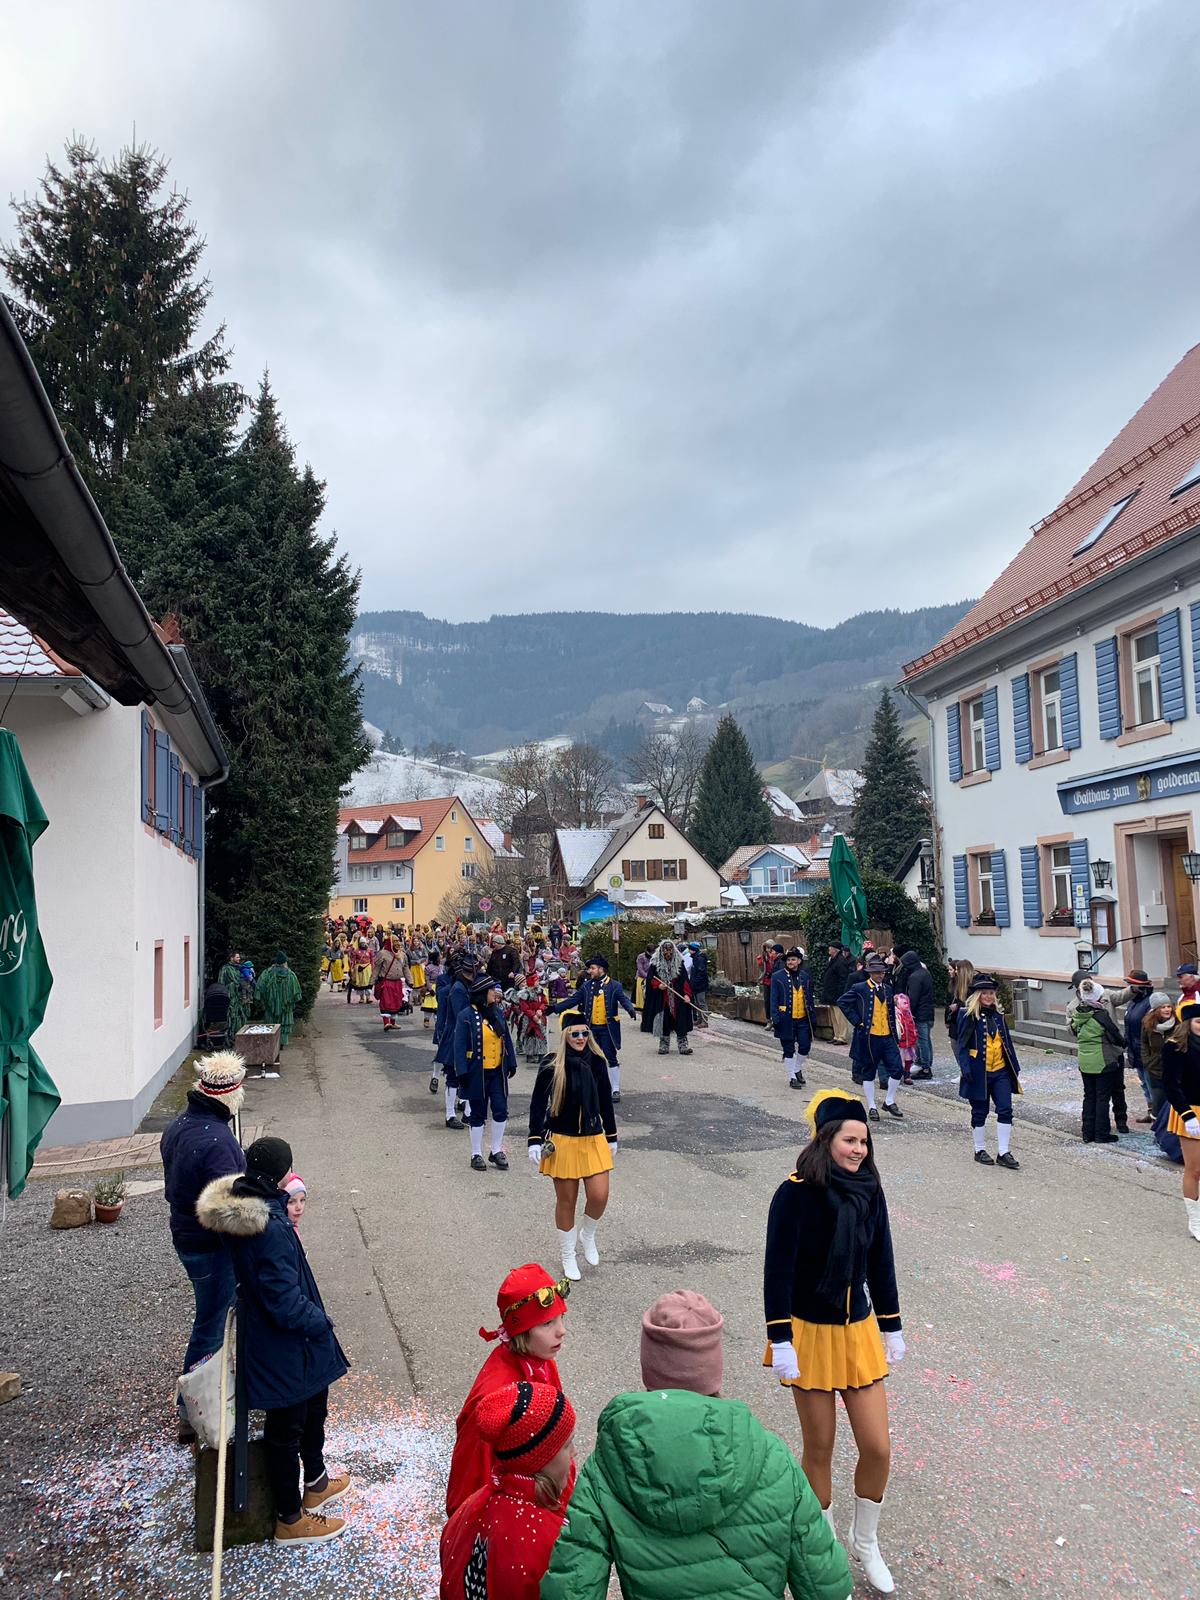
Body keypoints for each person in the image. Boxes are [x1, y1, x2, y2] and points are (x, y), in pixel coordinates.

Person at [542, 1288, 851, 1600]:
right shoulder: (773, 1457)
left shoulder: (609, 1465)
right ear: (713, 1368)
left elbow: (571, 1589)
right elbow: (827, 1586)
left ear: (650, 1368)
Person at [763, 1090, 902, 1594]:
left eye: (864, 1141)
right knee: (819, 1446)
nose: (859, 1149)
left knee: (878, 1447)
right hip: (810, 1335)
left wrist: (891, 1324)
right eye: (850, 1140)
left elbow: (881, 1258)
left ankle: (865, 1541)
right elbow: (777, 1270)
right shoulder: (795, 1193)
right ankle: (822, 1551)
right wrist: (780, 1338)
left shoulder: (870, 1190)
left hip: (857, 1331)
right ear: (826, 1140)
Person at [197, 1136, 351, 1547]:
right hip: (282, 1342)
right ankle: (290, 1518)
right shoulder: (268, 1227)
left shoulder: (252, 1206)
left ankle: (315, 1482)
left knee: (313, 1401)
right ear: (282, 1173)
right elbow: (282, 1301)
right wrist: (320, 1321)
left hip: (287, 1338)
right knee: (286, 1425)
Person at [159, 1050, 248, 1444]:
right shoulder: (218, 1142)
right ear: (231, 1094)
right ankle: (191, 1411)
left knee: (211, 1316)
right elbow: (229, 1210)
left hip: (185, 1233)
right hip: (210, 1244)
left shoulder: (179, 1125)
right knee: (211, 1324)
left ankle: (213, 1391)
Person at [446, 1264, 569, 1516]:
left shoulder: (541, 1359)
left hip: (544, 1487)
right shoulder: (493, 1396)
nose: (561, 1330)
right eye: (547, 1323)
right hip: (513, 1512)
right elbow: (468, 1483)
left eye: (561, 1318)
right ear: (520, 1330)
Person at [440, 1380, 576, 1600]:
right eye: (567, 1445)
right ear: (540, 1458)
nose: (574, 1452)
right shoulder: (553, 1541)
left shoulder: (468, 1509)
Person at [528, 1009, 618, 1280]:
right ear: (566, 1035)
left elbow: (605, 1100)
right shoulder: (551, 1063)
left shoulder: (597, 1061)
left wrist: (612, 1135)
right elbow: (537, 1103)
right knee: (567, 1201)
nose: (580, 1038)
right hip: (563, 1139)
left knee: (599, 1195)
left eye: (584, 1033)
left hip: (592, 1137)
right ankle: (568, 1254)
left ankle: (587, 1234)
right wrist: (534, 1139)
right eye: (575, 1033)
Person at [956, 975, 1022, 1168]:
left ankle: (1003, 1152)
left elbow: (1007, 1043)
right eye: (984, 993)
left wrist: (1015, 1067)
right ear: (978, 995)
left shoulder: (999, 1016)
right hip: (978, 1072)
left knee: (1005, 1109)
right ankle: (979, 1149)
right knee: (980, 1111)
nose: (988, 996)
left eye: (991, 993)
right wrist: (965, 1068)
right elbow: (962, 1045)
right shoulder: (968, 1016)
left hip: (1000, 1072)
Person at [456, 973, 518, 1172]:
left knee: (501, 1110)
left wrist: (511, 1062)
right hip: (477, 1073)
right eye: (492, 990)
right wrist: (462, 1072)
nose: (495, 993)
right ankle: (476, 1153)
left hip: (497, 1072)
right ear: (483, 993)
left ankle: (496, 1150)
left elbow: (506, 1039)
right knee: (478, 1113)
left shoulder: (497, 1012)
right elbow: (459, 1046)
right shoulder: (465, 1016)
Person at [551, 954, 636, 1099]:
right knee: (590, 1057)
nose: (590, 971)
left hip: (608, 1029)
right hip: (590, 1029)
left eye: (592, 968)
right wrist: (554, 1008)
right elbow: (573, 1000)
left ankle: (615, 1089)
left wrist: (630, 1009)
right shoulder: (587, 986)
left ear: (601, 969)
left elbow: (623, 999)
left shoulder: (615, 985)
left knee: (610, 1057)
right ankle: (592, 1086)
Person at [836, 955, 904, 1121]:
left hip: (887, 1036)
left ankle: (889, 1101)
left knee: (897, 1069)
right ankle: (872, 1106)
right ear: (870, 973)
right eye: (877, 972)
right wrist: (857, 1021)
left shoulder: (888, 989)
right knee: (869, 1072)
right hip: (869, 1037)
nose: (880, 975)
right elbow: (842, 1001)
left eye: (882, 972)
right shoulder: (860, 988)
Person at [1158, 1000, 1200, 1240]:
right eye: (1199, 1022)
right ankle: (1195, 1221)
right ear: (1189, 1023)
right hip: (1190, 1112)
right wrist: (1187, 1115)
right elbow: (1171, 1086)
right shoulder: (1175, 1047)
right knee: (1195, 1169)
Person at [1071, 978, 1128, 1142]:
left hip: (1085, 1061)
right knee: (1103, 1098)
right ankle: (1101, 1133)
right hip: (1103, 1060)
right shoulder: (1101, 1016)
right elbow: (1115, 1036)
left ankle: (1087, 1132)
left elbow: (1074, 1031)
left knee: (1089, 1096)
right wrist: (1125, 1044)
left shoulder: (1078, 1013)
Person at [432, 953, 476, 1128]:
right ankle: (450, 1115)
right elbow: (461, 1015)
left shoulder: (465, 986)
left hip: (465, 1035)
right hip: (456, 1036)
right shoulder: (457, 989)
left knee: (469, 1074)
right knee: (453, 1075)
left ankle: (467, 1113)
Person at [769, 945, 814, 1090]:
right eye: (788, 960)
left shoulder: (805, 976)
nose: (790, 962)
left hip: (803, 1019)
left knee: (805, 1046)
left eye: (793, 959)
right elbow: (773, 998)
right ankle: (792, 1077)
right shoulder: (777, 976)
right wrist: (775, 1017)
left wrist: (813, 1016)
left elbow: (810, 998)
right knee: (788, 1049)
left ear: (799, 961)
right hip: (785, 1019)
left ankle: (797, 1068)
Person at [644, 939, 694, 1055]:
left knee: (681, 1020)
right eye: (665, 951)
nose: (668, 954)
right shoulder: (655, 964)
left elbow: (685, 980)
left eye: (670, 951)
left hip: (678, 999)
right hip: (663, 999)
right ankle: (664, 1044)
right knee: (664, 1021)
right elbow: (650, 979)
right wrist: (658, 985)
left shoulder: (679, 963)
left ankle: (683, 1045)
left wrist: (687, 995)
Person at [1122, 969, 1157, 1123]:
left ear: (1139, 987)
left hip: (1147, 1052)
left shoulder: (1149, 1003)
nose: (1128, 988)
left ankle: (1158, 1116)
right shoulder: (1132, 1002)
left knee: (1152, 1084)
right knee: (1144, 1084)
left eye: (1131, 985)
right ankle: (1151, 1112)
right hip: (1135, 1050)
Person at [897, 951, 934, 1078]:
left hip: (920, 1013)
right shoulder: (924, 973)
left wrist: (907, 1013)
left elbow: (913, 998)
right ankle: (925, 1063)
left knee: (922, 1041)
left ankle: (925, 1068)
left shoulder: (915, 977)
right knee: (926, 1040)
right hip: (928, 1012)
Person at [1140, 991, 1175, 1119]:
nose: (1167, 1009)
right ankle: (1158, 1127)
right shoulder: (1148, 1023)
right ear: (1156, 1010)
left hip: (1173, 1069)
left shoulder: (1178, 1023)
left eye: (1169, 1006)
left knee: (1172, 1101)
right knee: (1158, 1102)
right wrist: (1147, 1061)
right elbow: (1144, 1043)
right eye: (1163, 1007)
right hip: (1155, 1068)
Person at [373, 936, 410, 1032]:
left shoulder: (402, 955)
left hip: (397, 982)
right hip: (386, 982)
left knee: (396, 1002)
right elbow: (376, 968)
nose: (397, 943)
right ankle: (386, 1023)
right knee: (385, 1002)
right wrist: (372, 981)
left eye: (398, 941)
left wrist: (410, 981)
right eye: (395, 941)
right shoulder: (383, 954)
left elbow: (406, 968)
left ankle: (393, 1023)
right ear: (390, 943)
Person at [821, 941, 852, 1046]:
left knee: (840, 1016)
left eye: (830, 947)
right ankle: (836, 1035)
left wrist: (841, 993)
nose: (829, 949)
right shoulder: (833, 959)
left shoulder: (841, 961)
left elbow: (843, 978)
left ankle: (842, 1037)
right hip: (831, 993)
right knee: (834, 1016)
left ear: (835, 949)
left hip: (837, 993)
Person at [217, 949, 251, 1036]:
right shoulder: (225, 969)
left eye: (239, 957)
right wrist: (232, 986)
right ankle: (232, 1035)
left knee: (242, 1016)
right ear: (231, 958)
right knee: (233, 1016)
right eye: (237, 957)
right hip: (232, 998)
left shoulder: (240, 968)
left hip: (241, 997)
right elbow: (221, 983)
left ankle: (242, 1034)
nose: (239, 959)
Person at [944, 958, 975, 1052]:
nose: (955, 972)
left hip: (965, 1025)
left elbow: (971, 1004)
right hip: (956, 1023)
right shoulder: (956, 985)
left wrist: (957, 1006)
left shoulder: (972, 987)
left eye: (957, 970)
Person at [894, 990, 917, 1085]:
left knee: (909, 1059)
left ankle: (907, 1075)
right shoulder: (896, 1016)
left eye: (907, 1003)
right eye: (904, 1003)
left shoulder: (909, 1015)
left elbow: (912, 1028)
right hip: (900, 1043)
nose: (907, 1005)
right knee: (899, 1059)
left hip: (909, 1043)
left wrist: (914, 1038)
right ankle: (897, 1075)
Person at [759, 941, 784, 1028]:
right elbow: (762, 969)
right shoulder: (763, 957)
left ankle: (774, 1021)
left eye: (770, 948)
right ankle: (768, 1020)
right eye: (766, 948)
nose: (768, 950)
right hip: (767, 981)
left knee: (775, 1001)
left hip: (774, 981)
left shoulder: (777, 958)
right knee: (767, 1001)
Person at [687, 941, 710, 1026]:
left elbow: (701, 973)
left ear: (693, 950)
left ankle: (705, 1021)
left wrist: (695, 982)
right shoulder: (695, 957)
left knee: (701, 1003)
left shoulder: (699, 958)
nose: (689, 951)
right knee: (697, 1003)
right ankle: (700, 1019)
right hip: (696, 985)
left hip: (700, 985)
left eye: (690, 949)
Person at [634, 947, 651, 1014]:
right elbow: (640, 969)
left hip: (650, 979)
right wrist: (648, 977)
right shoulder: (641, 957)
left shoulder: (654, 957)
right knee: (641, 1000)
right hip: (641, 979)